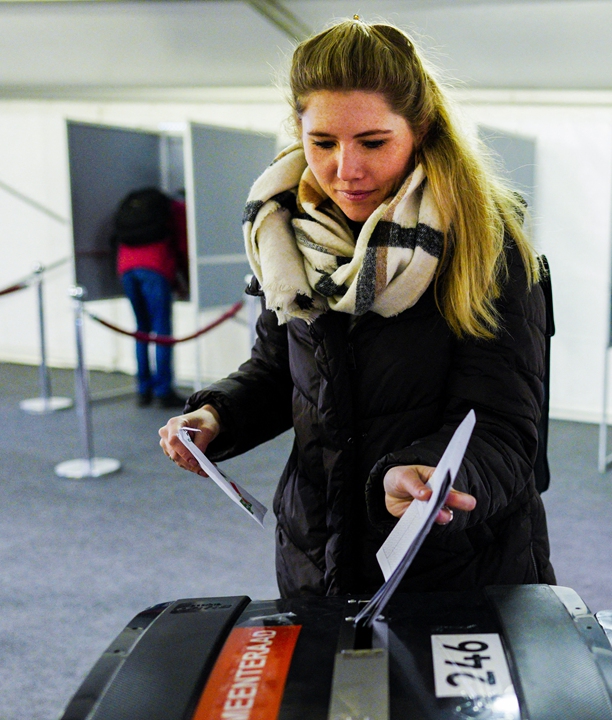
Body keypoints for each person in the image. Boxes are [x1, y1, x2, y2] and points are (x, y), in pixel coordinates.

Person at [157, 18, 553, 599]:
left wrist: (420, 473)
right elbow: (279, 372)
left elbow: (506, 427)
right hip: (317, 550)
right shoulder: (287, 235)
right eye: (322, 143)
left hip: (454, 559)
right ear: (298, 130)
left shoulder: (485, 246)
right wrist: (218, 416)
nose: (346, 170)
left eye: (373, 143)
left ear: (418, 129)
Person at [115, 187, 188, 408]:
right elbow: (182, 244)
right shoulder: (176, 208)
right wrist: (185, 280)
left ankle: (143, 389)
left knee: (141, 330)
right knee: (162, 331)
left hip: (126, 268)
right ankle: (164, 391)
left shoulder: (138, 205)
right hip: (155, 268)